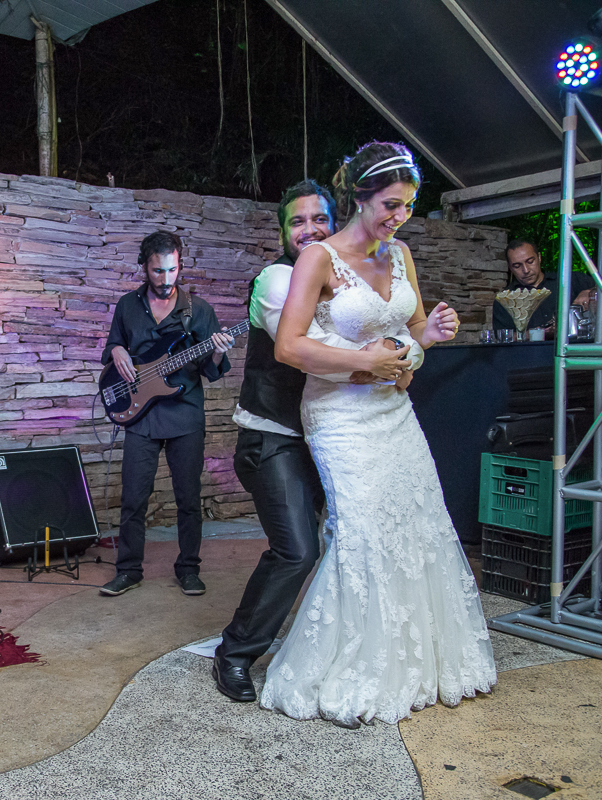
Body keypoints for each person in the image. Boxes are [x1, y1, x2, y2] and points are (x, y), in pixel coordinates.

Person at [261, 142, 497, 728]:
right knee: (363, 529)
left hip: (395, 411)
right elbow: (289, 346)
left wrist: (433, 332)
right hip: (341, 417)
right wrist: (362, 361)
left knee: (418, 520)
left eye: (410, 205)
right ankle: (358, 662)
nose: (400, 215)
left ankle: (416, 662)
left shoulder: (402, 255)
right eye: (391, 203)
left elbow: (410, 330)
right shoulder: (318, 259)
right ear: (359, 197)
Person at [212, 180, 426, 702]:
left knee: (355, 541)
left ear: (337, 221)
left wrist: (405, 346)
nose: (309, 229)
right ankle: (235, 653)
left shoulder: (347, 271)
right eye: (296, 221)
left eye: (318, 219)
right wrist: (380, 353)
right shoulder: (277, 279)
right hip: (274, 437)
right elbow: (315, 347)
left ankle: (352, 649)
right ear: (283, 232)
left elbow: (390, 329)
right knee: (298, 550)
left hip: (332, 434)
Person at [99, 231, 235, 597]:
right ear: (145, 267)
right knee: (133, 498)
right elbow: (114, 342)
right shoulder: (128, 305)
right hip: (140, 415)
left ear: (180, 266)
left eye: (172, 270)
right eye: (158, 271)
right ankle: (129, 570)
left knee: (188, 498)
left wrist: (219, 351)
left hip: (184, 414)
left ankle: (189, 569)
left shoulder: (199, 311)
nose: (165, 279)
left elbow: (211, 369)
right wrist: (116, 351)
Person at [491, 239, 595, 331]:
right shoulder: (505, 300)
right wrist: (540, 333)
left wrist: (591, 292)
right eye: (517, 266)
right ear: (510, 267)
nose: (526, 270)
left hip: (575, 351)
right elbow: (502, 339)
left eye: (530, 262)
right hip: (533, 352)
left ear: (539, 257)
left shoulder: (569, 280)